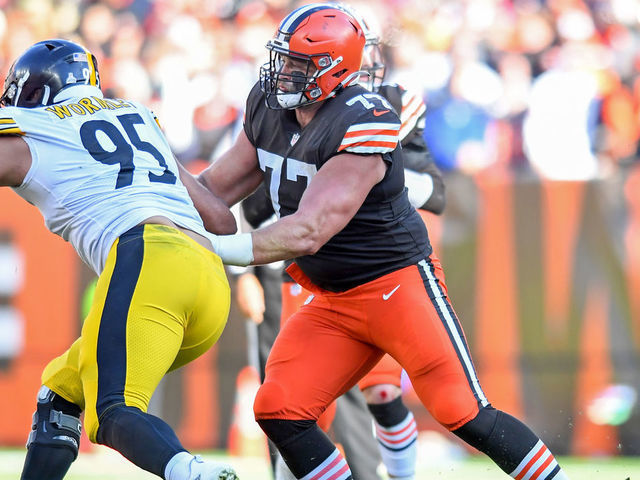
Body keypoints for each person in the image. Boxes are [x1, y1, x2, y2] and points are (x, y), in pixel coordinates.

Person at [200, 4, 570, 480]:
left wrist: (215, 250)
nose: (284, 72)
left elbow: (309, 230)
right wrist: (156, 173)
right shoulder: (269, 107)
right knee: (279, 407)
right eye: (283, 59)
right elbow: (213, 189)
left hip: (395, 288)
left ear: (333, 67)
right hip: (331, 298)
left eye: (297, 63)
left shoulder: (368, 115)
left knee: (462, 410)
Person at [0, 39, 238, 480]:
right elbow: (221, 220)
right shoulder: (139, 116)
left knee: (112, 411)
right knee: (62, 392)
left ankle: (196, 474)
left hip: (149, 260)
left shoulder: (31, 128)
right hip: (209, 281)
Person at [236, 5, 446, 477]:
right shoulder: (278, 107)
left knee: (383, 390)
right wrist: (242, 267)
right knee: (289, 403)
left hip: (369, 268)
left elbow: (438, 191)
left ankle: (396, 474)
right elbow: (242, 188)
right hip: (296, 269)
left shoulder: (381, 109)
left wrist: (368, 176)